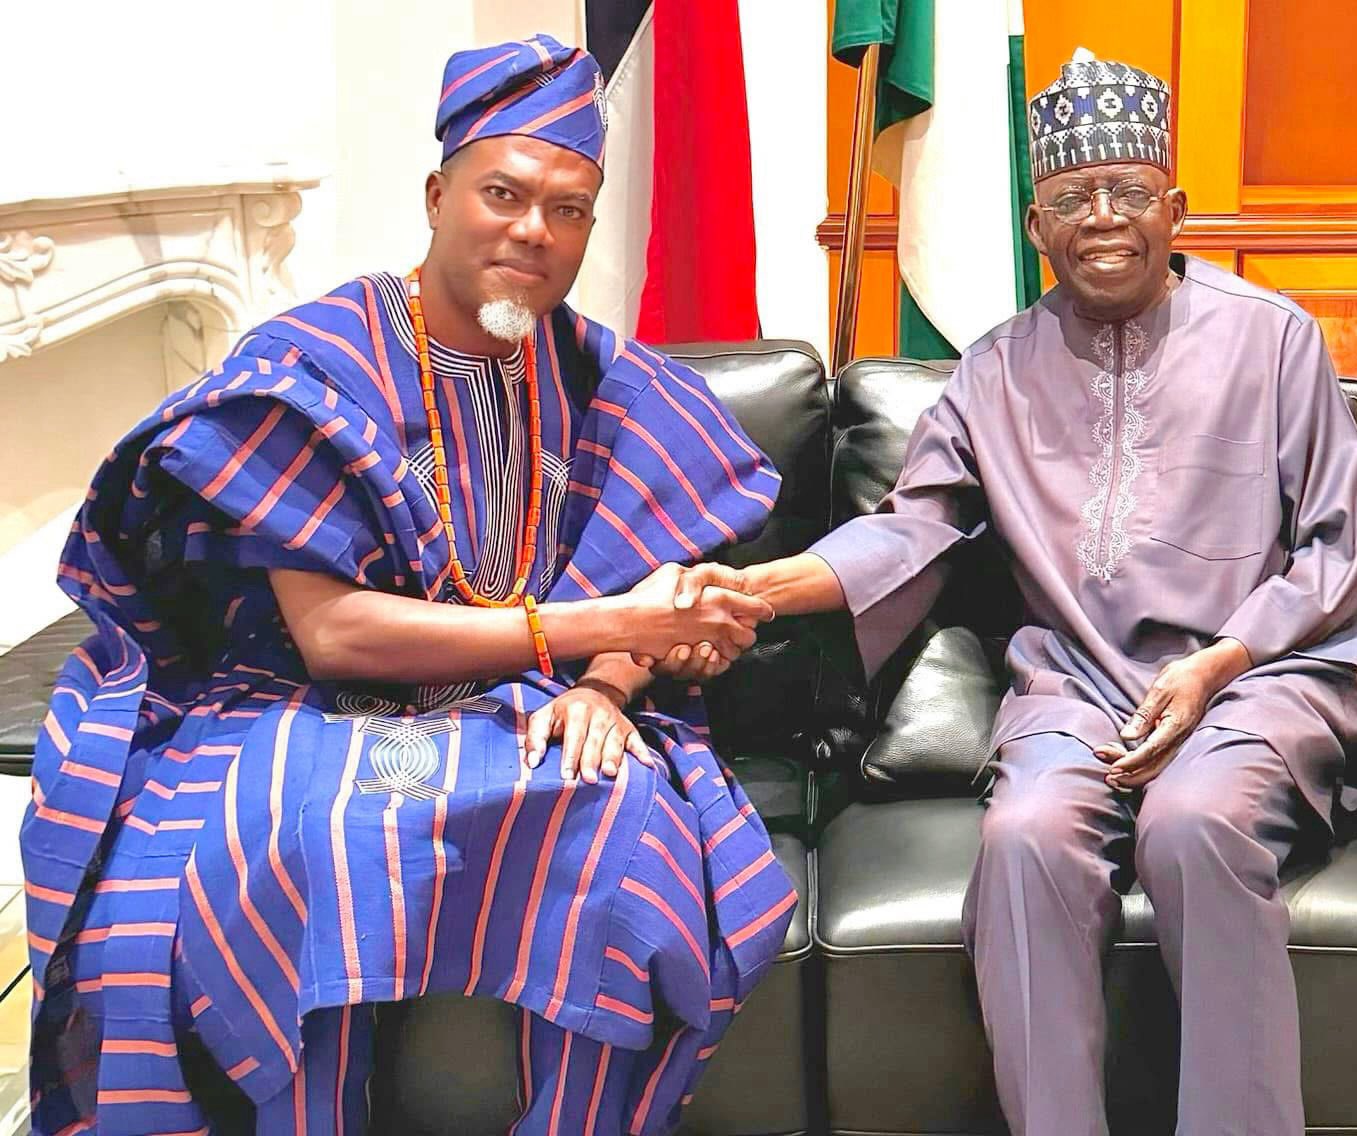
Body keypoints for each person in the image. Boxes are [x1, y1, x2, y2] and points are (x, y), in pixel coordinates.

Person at [24, 35, 796, 1136]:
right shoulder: (317, 360)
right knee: (301, 837)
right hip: (307, 697)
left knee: (620, 818)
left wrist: (611, 681)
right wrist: (610, 622)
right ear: (437, 194)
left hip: (526, 697)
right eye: (503, 193)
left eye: (569, 209)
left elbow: (651, 559)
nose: (534, 231)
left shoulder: (594, 371)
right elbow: (335, 634)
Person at [671, 48, 1357, 1135]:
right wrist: (775, 583)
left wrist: (1219, 662)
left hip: (1255, 675)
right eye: (1069, 198)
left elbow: (1335, 550)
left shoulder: (1272, 340)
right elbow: (914, 526)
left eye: (1128, 192)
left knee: (1193, 821)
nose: (1101, 217)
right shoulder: (992, 369)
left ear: (1174, 208)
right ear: (1035, 223)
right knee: (1024, 841)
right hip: (1078, 688)